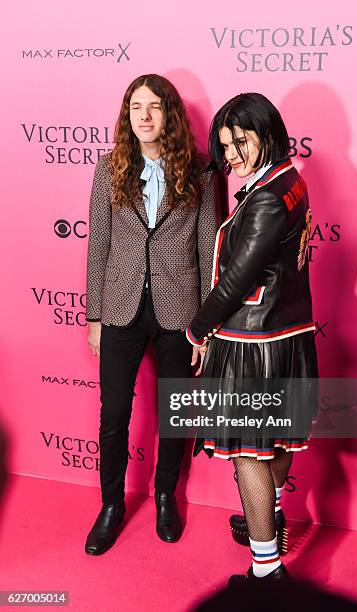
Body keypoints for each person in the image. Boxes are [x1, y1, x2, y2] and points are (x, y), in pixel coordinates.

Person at [85, 74, 219, 555]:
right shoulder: (109, 169)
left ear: (170, 115)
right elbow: (98, 245)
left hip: (180, 310)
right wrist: (94, 316)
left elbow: (209, 253)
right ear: (127, 115)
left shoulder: (201, 172)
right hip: (120, 307)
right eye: (135, 106)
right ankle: (111, 504)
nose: (144, 116)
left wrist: (204, 327)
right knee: (115, 411)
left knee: (176, 412)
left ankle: (165, 495)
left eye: (154, 107)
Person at [186, 93, 318, 583]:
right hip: (286, 333)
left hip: (255, 341)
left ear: (267, 132)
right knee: (274, 442)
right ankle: (270, 520)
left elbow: (236, 280)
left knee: (248, 455)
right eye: (225, 146)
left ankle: (266, 570)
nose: (232, 156)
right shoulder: (288, 180)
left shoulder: (265, 196)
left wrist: (198, 329)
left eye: (240, 142)